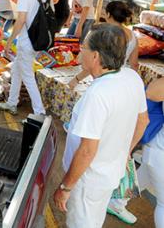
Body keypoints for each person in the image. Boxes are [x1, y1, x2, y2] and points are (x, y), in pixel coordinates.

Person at [53, 24, 149, 228]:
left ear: (95, 56)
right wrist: (125, 151)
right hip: (110, 172)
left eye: (84, 46)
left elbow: (87, 150)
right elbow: (143, 121)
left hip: (88, 180)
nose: (80, 49)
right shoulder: (132, 77)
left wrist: (66, 187)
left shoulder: (98, 94)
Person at [0, 0, 51, 115]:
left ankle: (39, 113)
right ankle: (12, 102)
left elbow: (20, 20)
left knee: (27, 76)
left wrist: (9, 40)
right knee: (17, 70)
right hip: (39, 41)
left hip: (26, 42)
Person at [68, 0, 138, 90]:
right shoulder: (133, 36)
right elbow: (134, 64)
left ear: (108, 14)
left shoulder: (104, 34)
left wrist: (76, 79)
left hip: (104, 78)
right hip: (120, 79)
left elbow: (94, 62)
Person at [143, 77, 164, 228]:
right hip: (158, 151)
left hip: (156, 151)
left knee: (144, 176)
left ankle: (116, 201)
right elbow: (150, 93)